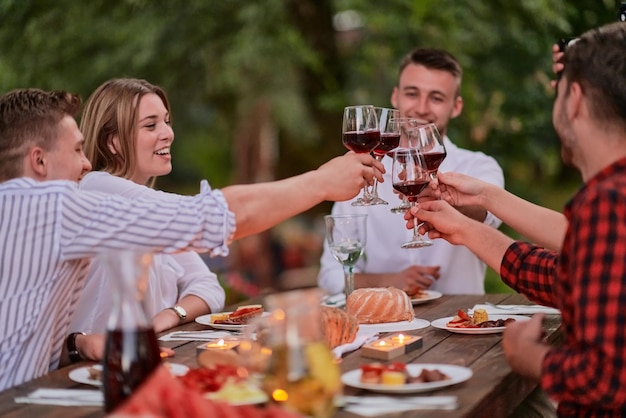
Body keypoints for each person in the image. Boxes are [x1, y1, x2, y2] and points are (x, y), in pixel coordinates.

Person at [0, 88, 384, 391]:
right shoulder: (59, 204)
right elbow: (211, 218)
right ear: (39, 161)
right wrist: (320, 182)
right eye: (78, 150)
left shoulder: (23, 210)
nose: (86, 163)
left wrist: (77, 343)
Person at [412, 22, 626, 416]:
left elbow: (606, 380)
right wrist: (464, 227)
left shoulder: (607, 201)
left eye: (557, 90)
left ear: (574, 99)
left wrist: (532, 358)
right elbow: (568, 279)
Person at [318, 48, 504, 295]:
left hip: (462, 324)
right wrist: (388, 280)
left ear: (456, 106)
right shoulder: (359, 177)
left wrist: (440, 197)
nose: (422, 108)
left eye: (436, 98)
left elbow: (488, 215)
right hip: (383, 326)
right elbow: (329, 275)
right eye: (412, 94)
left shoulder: (479, 167)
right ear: (395, 97)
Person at [68, 79, 224, 360]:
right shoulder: (95, 188)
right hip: (88, 371)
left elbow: (209, 286)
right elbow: (201, 216)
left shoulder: (151, 209)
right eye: (151, 125)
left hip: (146, 358)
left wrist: (170, 314)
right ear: (113, 142)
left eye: (166, 121)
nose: (168, 133)